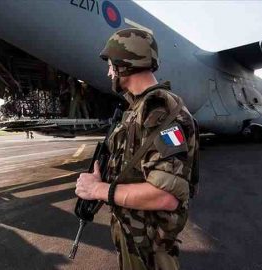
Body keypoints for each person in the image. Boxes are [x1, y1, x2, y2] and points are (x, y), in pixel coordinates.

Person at [75, 28, 199, 270]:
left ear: (124, 65)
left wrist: (99, 189)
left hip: (151, 251)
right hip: (136, 240)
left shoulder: (158, 110)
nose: (109, 71)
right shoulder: (138, 109)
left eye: (111, 64)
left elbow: (165, 196)